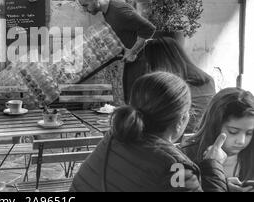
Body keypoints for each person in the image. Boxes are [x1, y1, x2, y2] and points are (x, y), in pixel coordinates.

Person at [70, 72, 228, 192]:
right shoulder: (176, 166)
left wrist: (208, 181)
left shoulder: (116, 136)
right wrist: (214, 166)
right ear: (181, 120)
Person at [78, 0, 156, 103]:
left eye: (85, 5)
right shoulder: (108, 10)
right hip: (131, 60)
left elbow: (149, 29)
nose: (85, 10)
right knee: (129, 96)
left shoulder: (119, 11)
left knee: (137, 98)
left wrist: (133, 51)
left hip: (140, 60)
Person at [183, 88, 254, 192]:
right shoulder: (183, 156)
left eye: (249, 133)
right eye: (233, 131)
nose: (241, 141)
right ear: (214, 126)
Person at [144, 37, 216, 133]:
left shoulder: (164, 87)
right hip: (203, 136)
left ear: (153, 62)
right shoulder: (208, 80)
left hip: (177, 139)